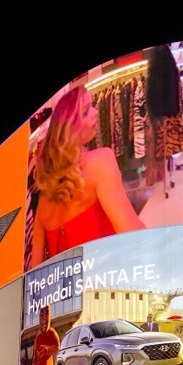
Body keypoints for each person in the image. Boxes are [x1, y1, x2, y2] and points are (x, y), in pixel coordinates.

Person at [30, 85, 145, 268]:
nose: (95, 112)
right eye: (85, 112)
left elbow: (35, 269)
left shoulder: (42, 203)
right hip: (110, 284)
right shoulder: (102, 161)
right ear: (70, 129)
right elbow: (134, 237)